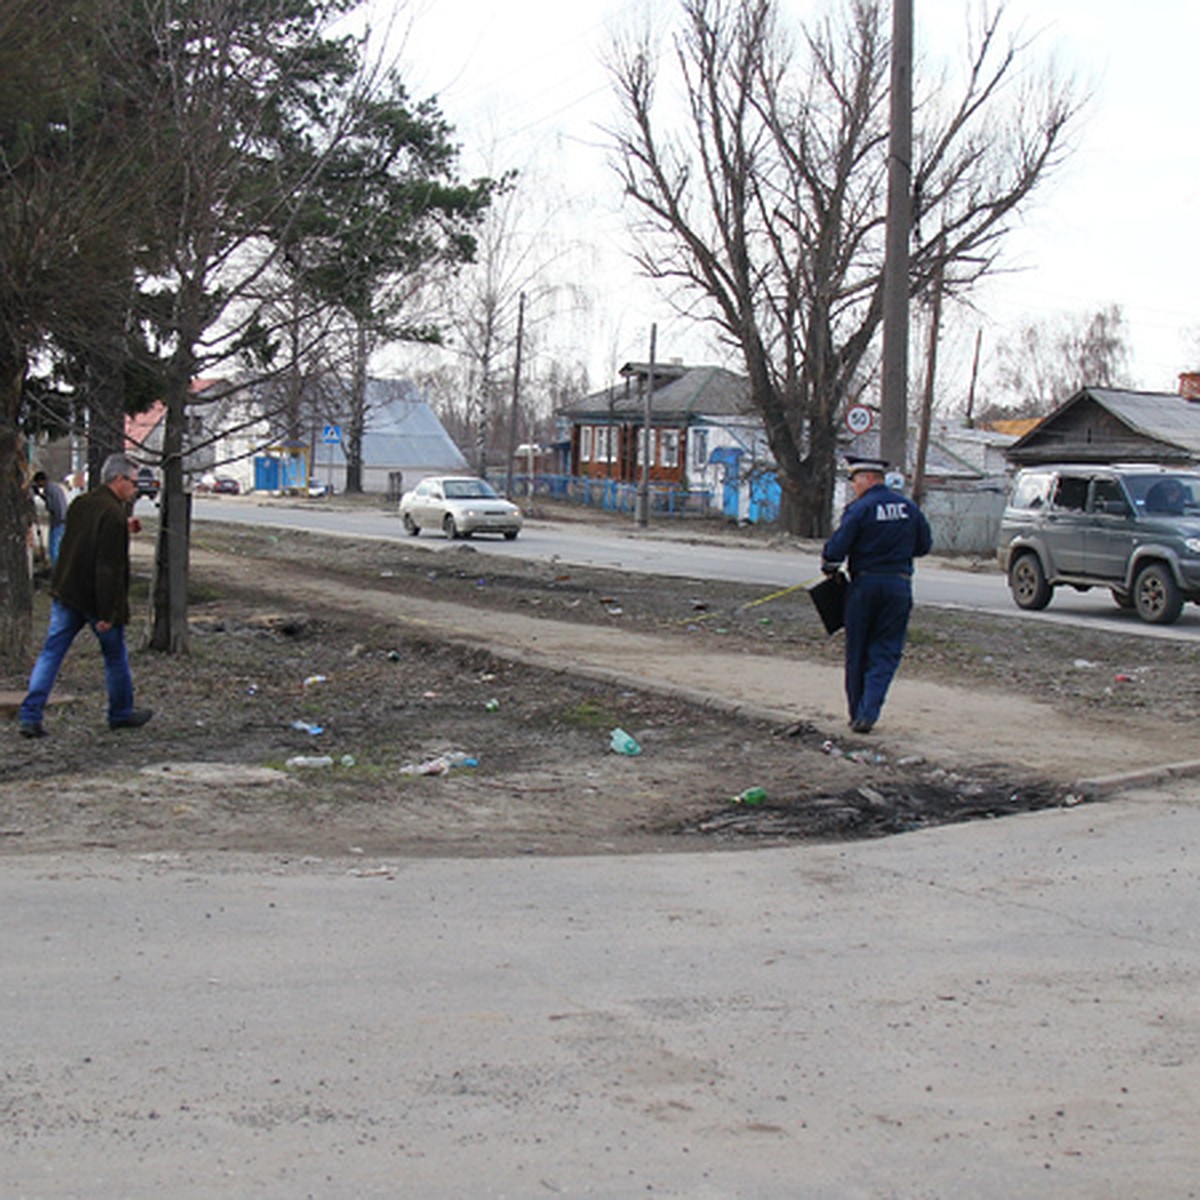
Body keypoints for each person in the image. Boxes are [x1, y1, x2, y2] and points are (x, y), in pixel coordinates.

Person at [17, 453, 153, 739]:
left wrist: (123, 530)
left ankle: (30, 715)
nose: (135, 488)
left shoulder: (82, 504)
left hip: (67, 590)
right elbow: (108, 568)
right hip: (94, 599)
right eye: (133, 482)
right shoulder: (114, 514)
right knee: (115, 656)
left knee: (51, 653)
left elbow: (84, 539)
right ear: (118, 480)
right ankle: (120, 712)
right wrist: (107, 613)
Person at [821, 456, 932, 734]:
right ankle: (869, 711)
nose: (853, 486)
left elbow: (836, 549)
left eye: (855, 480)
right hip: (898, 585)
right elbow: (924, 545)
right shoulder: (909, 508)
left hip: (864, 586)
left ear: (869, 479)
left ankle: (856, 712)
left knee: (857, 650)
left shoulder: (860, 509)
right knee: (886, 650)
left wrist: (831, 564)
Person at [31, 470, 69, 565]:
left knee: (53, 548)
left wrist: (41, 496)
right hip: (63, 520)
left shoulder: (49, 489)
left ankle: (55, 569)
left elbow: (50, 506)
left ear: (41, 481)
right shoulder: (56, 487)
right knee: (60, 547)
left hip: (57, 520)